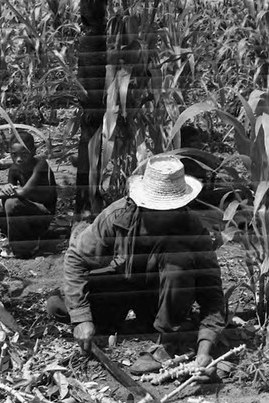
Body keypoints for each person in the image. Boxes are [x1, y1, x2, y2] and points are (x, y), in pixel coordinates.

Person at [49, 154, 225, 373]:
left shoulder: (192, 229)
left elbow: (212, 292)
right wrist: (81, 319)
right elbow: (76, 258)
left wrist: (205, 348)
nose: (163, 214)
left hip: (161, 296)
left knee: (177, 258)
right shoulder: (118, 215)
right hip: (123, 285)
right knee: (57, 305)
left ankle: (168, 342)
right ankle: (113, 325)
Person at [0, 131, 57, 258]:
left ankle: (22, 250)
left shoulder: (41, 164)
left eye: (24, 154)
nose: (19, 159)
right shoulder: (14, 169)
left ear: (33, 151)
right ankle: (28, 236)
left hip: (43, 214)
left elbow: (23, 192)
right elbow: (9, 194)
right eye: (14, 155)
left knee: (12, 204)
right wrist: (6, 188)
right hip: (26, 210)